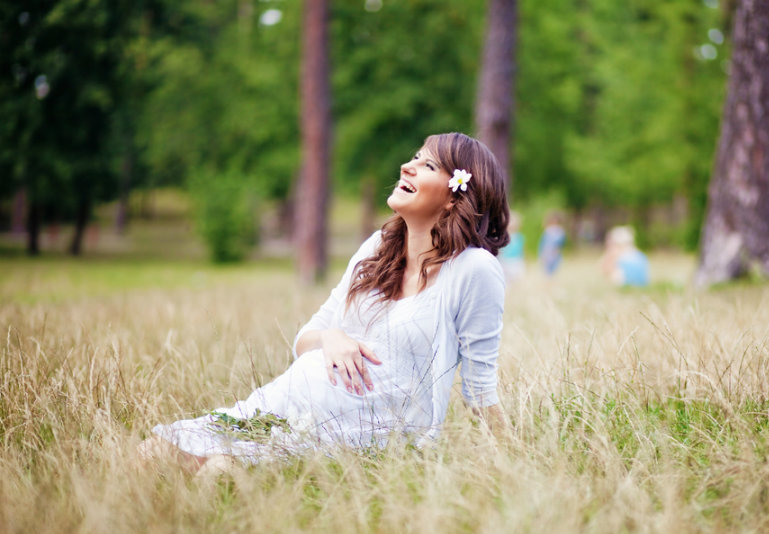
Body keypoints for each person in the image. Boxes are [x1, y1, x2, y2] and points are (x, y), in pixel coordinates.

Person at [138, 132, 510, 473]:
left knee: (217, 471)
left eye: (428, 165)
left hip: (358, 436)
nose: (406, 166)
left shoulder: (474, 270)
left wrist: (515, 463)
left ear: (454, 198)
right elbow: (306, 338)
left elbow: (480, 390)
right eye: (414, 156)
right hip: (284, 404)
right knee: (151, 453)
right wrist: (332, 337)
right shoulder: (379, 248)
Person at [498, 211, 525, 281]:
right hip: (505, 260)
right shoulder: (503, 237)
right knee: (506, 278)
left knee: (517, 277)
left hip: (516, 260)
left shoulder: (519, 237)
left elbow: (521, 249)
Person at [537, 212, 566, 278]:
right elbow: (542, 243)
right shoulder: (547, 230)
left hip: (555, 253)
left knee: (554, 270)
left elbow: (561, 243)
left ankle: (551, 282)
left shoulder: (560, 231)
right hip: (547, 252)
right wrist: (541, 254)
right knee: (546, 271)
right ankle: (548, 283)